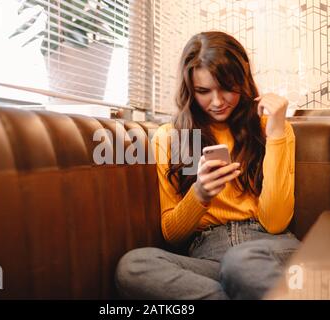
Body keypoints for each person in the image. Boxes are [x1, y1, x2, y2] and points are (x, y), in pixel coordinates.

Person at [115, 31, 300, 300]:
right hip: (210, 260)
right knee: (133, 267)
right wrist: (199, 194)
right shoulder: (172, 137)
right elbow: (173, 236)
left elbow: (276, 222)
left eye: (227, 87)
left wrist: (276, 133)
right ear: (190, 89)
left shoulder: (270, 128)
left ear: (243, 80)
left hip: (270, 253)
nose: (216, 101)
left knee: (241, 262)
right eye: (203, 91)